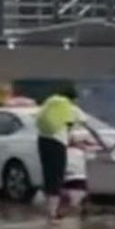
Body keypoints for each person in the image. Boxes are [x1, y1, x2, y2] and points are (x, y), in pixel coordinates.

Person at [36, 87, 84, 220]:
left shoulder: (50, 102)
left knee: (48, 174)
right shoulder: (69, 106)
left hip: (43, 140)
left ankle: (49, 209)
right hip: (57, 143)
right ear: (73, 98)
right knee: (57, 175)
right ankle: (53, 212)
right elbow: (82, 121)